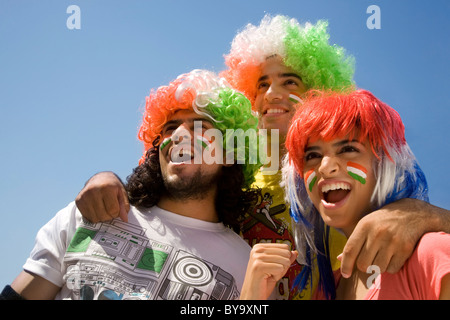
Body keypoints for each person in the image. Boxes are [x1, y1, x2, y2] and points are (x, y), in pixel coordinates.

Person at [74, 15, 450, 299]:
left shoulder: (352, 178)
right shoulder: (232, 175)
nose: (272, 94)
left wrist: (423, 214)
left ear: (321, 90)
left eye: (290, 81)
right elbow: (166, 195)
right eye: (261, 84)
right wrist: (104, 178)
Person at [1, 69, 263, 300]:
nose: (180, 135)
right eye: (170, 128)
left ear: (230, 153)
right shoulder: (93, 211)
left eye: (200, 126)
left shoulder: (247, 268)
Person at [240, 89, 450, 300]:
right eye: (312, 155)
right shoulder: (325, 290)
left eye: (348, 149)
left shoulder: (431, 256)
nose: (325, 167)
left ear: (384, 163)